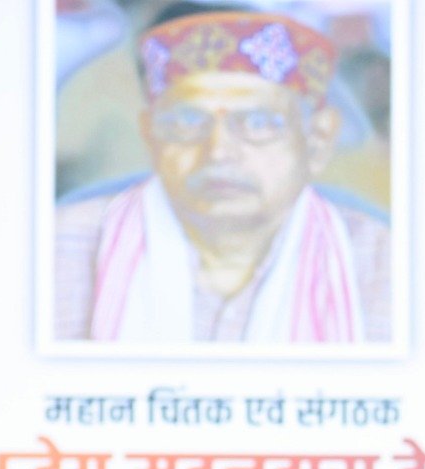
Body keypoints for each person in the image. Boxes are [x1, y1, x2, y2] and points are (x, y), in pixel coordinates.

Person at [53, 6, 392, 344]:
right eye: (188, 121)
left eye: (258, 122)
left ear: (317, 141)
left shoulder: (383, 259)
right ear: (152, 134)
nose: (218, 151)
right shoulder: (67, 245)